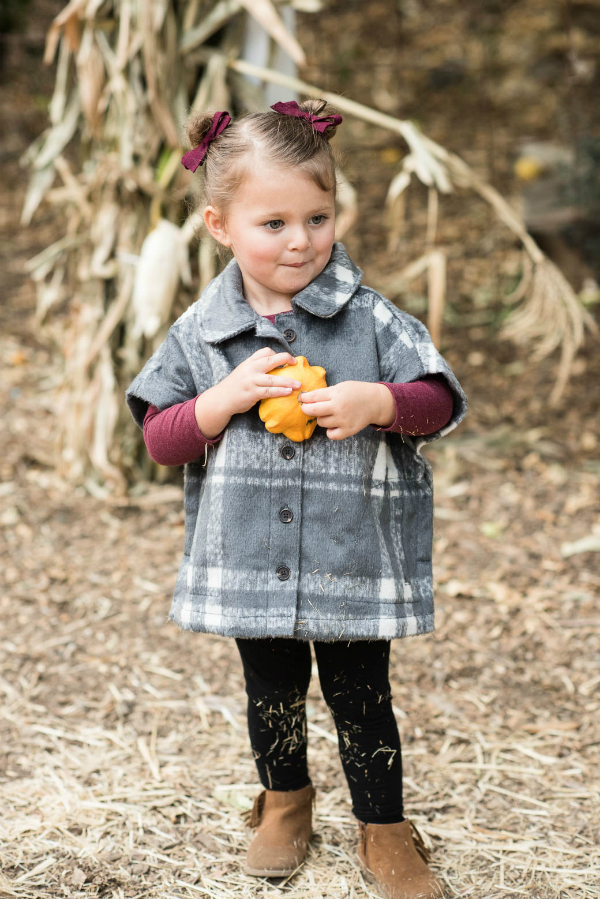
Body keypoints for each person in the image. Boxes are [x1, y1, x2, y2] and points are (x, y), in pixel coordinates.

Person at [125, 99, 468, 899]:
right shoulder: (203, 334)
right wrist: (224, 399)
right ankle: (285, 802)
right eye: (272, 222)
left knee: (362, 696)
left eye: (317, 216)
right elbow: (161, 436)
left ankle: (385, 828)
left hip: (351, 556)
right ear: (220, 225)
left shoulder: (371, 318)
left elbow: (441, 402)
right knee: (271, 690)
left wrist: (378, 403)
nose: (301, 240)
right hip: (251, 557)